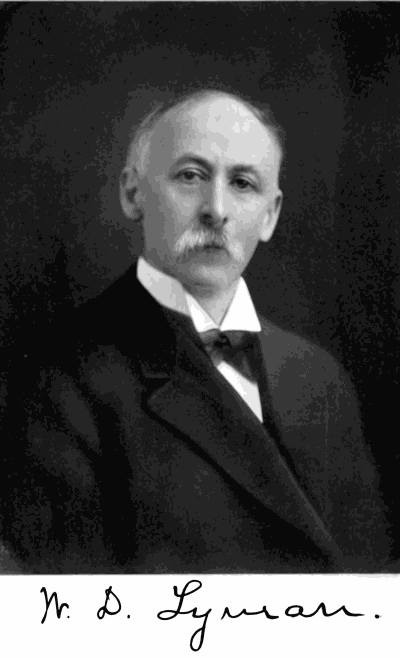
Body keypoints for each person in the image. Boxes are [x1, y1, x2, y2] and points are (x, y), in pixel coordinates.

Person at [1, 88, 390, 573]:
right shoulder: (60, 378)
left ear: (270, 215)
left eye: (243, 183)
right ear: (133, 193)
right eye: (191, 176)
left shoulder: (319, 377)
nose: (216, 209)